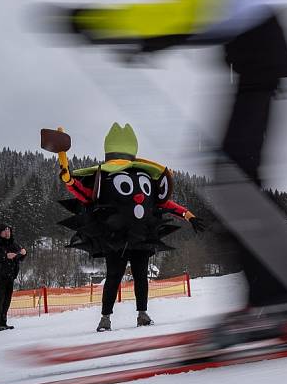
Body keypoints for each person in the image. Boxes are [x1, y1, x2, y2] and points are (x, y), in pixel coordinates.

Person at [41, 0, 287, 342]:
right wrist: (147, 40)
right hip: (254, 54)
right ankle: (273, 298)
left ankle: (280, 300)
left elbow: (195, 9)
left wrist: (102, 23)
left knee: (235, 183)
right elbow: (195, 10)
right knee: (234, 181)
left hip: (261, 52)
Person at [56, 122, 204, 331]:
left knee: (140, 276)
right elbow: (84, 193)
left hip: (141, 237)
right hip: (115, 237)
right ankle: (105, 317)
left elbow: (163, 203)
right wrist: (69, 178)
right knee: (114, 276)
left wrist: (188, 215)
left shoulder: (142, 178)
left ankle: (142, 314)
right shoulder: (106, 178)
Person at [0, 224, 26, 332]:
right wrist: (5, 256)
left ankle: (3, 322)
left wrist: (23, 253)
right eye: (5, 230)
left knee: (7, 301)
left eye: (9, 230)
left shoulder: (14, 244)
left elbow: (20, 258)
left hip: (10, 277)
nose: (7, 232)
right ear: (0, 232)